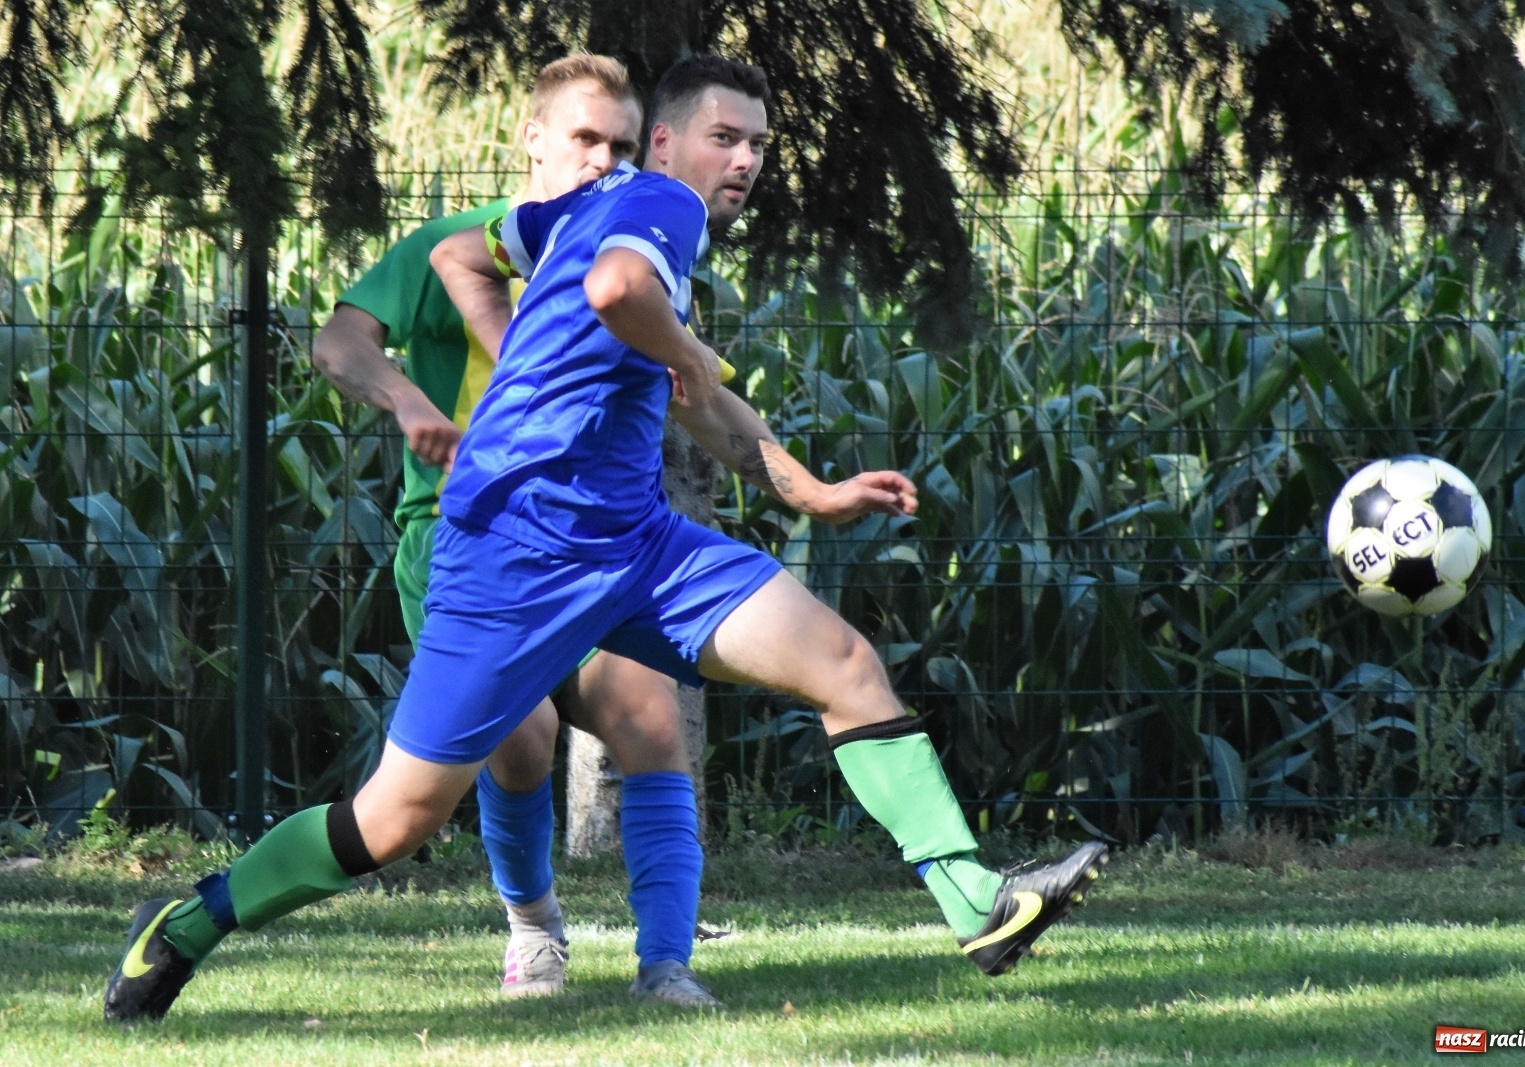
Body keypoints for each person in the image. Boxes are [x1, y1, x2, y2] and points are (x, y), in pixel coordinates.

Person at [104, 53, 1109, 1025]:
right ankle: (186, 922)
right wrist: (673, 343)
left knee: (842, 661)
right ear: (665, 145)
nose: (747, 161)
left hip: (636, 544)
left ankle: (977, 903)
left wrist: (809, 486)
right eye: (725, 138)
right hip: (513, 553)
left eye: (759, 143)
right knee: (393, 820)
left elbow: (646, 364)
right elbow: (617, 297)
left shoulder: (576, 213)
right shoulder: (660, 204)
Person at [304, 55, 713, 1006]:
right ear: (530, 138)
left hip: (595, 544)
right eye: (583, 140)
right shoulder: (460, 242)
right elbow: (338, 341)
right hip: (463, 541)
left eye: (619, 145)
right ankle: (533, 929)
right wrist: (409, 401)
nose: (601, 162)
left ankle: (668, 965)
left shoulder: (631, 239)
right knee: (522, 738)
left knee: (650, 721)